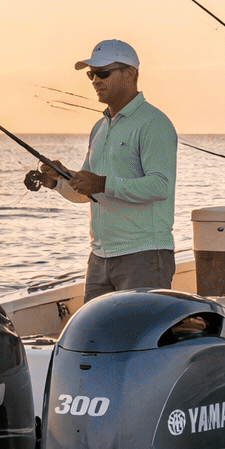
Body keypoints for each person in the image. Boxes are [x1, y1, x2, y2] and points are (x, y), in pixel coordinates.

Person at [38, 39, 178, 300]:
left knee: (139, 340)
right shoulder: (99, 128)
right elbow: (86, 193)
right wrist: (57, 182)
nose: (95, 81)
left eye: (103, 73)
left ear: (130, 73)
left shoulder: (154, 123)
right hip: (99, 260)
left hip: (143, 257)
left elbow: (161, 186)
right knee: (96, 339)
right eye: (91, 75)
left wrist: (102, 184)